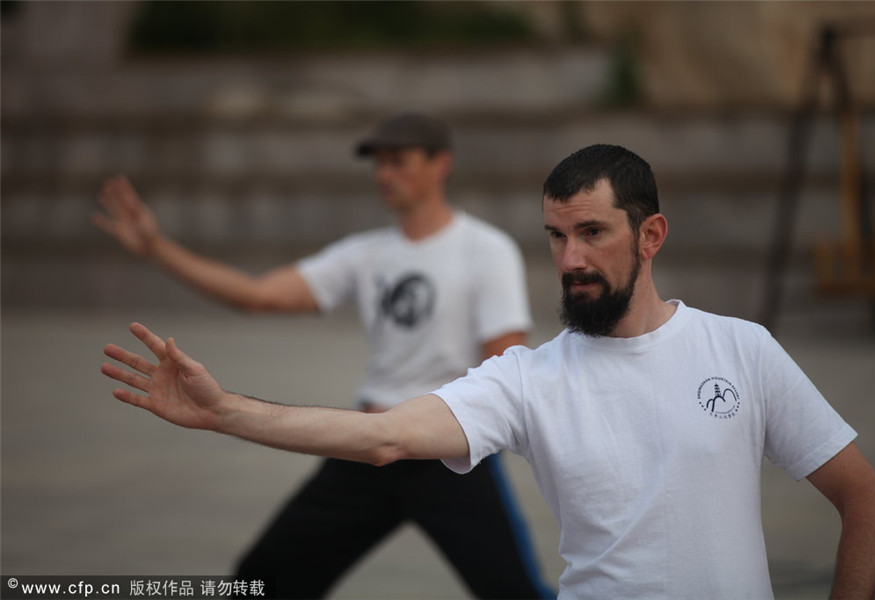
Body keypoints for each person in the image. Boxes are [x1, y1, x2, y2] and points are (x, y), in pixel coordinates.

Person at [101, 143, 875, 600]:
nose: (571, 260)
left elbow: (867, 503)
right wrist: (223, 411)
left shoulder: (742, 350)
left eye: (591, 232)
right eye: (556, 237)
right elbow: (382, 436)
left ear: (651, 234)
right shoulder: (528, 379)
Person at [93, 111, 554, 599]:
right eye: (378, 163)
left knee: (514, 592)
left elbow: (505, 364)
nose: (384, 174)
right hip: (364, 447)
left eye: (398, 161)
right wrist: (156, 248)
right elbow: (258, 295)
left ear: (441, 164)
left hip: (447, 456)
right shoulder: (365, 252)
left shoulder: (486, 249)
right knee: (262, 578)